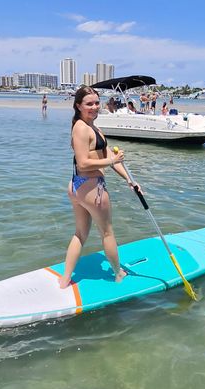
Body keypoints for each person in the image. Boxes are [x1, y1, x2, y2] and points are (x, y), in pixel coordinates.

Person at [58, 86, 138, 289]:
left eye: (96, 102)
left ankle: (65, 279)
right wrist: (111, 160)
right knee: (107, 233)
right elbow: (84, 162)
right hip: (92, 188)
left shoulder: (92, 127)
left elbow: (108, 155)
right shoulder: (81, 128)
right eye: (89, 104)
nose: (94, 107)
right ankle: (118, 273)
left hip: (78, 187)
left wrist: (129, 179)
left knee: (80, 234)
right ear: (78, 106)